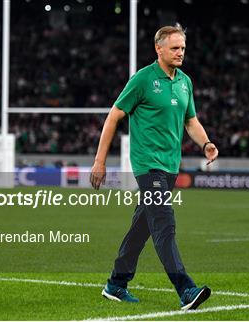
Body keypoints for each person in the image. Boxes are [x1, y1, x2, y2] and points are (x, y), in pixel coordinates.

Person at [90, 24, 218, 310]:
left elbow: (190, 121)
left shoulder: (185, 82)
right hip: (149, 166)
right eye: (174, 48)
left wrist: (206, 143)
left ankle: (116, 284)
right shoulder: (143, 80)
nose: (180, 52)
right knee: (164, 223)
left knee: (142, 226)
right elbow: (113, 117)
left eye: (183, 48)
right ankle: (185, 289)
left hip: (171, 166)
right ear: (158, 49)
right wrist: (100, 161)